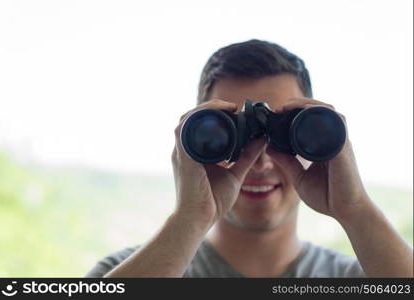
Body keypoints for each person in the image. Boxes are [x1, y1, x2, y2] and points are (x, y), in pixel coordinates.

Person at [86, 39, 413, 278]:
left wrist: (355, 209)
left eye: (281, 133)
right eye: (228, 134)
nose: (261, 162)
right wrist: (190, 218)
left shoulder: (364, 278)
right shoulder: (125, 272)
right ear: (193, 142)